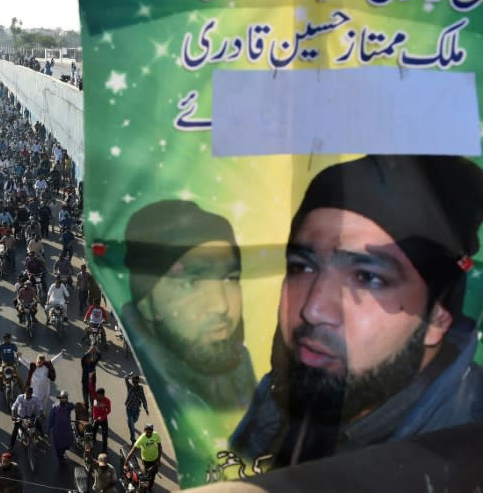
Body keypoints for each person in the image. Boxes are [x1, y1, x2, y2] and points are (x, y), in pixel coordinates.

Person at [231, 155, 483, 468]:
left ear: (437, 317)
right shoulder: (283, 392)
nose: (314, 309)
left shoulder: (465, 452)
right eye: (302, 267)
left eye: (367, 278)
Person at [121, 200, 256, 475]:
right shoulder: (172, 399)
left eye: (230, 278)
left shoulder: (260, 379)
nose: (221, 304)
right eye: (191, 283)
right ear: (147, 305)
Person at [123, 424, 162, 489]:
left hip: (155, 458)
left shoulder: (156, 435)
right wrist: (125, 463)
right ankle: (145, 486)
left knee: (153, 475)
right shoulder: (141, 439)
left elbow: (160, 447)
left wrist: (158, 460)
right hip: (146, 460)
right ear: (144, 431)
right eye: (147, 431)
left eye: (151, 431)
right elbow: (132, 451)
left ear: (152, 431)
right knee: (146, 476)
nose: (149, 433)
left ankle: (149, 487)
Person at [48, 390, 75, 460]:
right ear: (60, 398)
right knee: (58, 446)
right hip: (57, 430)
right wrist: (49, 429)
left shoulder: (69, 406)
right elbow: (51, 418)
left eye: (65, 398)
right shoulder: (55, 407)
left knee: (68, 443)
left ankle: (62, 453)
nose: (64, 399)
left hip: (66, 429)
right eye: (63, 398)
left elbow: (74, 406)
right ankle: (60, 457)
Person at [124, 374, 149, 442]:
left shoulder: (141, 388)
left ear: (138, 382)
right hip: (129, 409)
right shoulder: (129, 386)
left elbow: (143, 398)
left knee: (135, 420)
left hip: (136, 409)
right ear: (132, 381)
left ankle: (129, 422)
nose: (135, 384)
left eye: (136, 382)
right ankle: (133, 439)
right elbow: (125, 378)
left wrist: (146, 408)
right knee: (132, 427)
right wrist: (130, 375)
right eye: (133, 382)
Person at [91, 388, 112, 454]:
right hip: (96, 419)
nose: (97, 397)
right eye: (97, 395)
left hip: (103, 420)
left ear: (103, 395)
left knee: (105, 435)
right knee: (93, 430)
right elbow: (94, 409)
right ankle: (93, 439)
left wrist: (102, 417)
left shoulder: (107, 401)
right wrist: (94, 417)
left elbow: (108, 410)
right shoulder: (95, 399)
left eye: (99, 396)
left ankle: (104, 450)